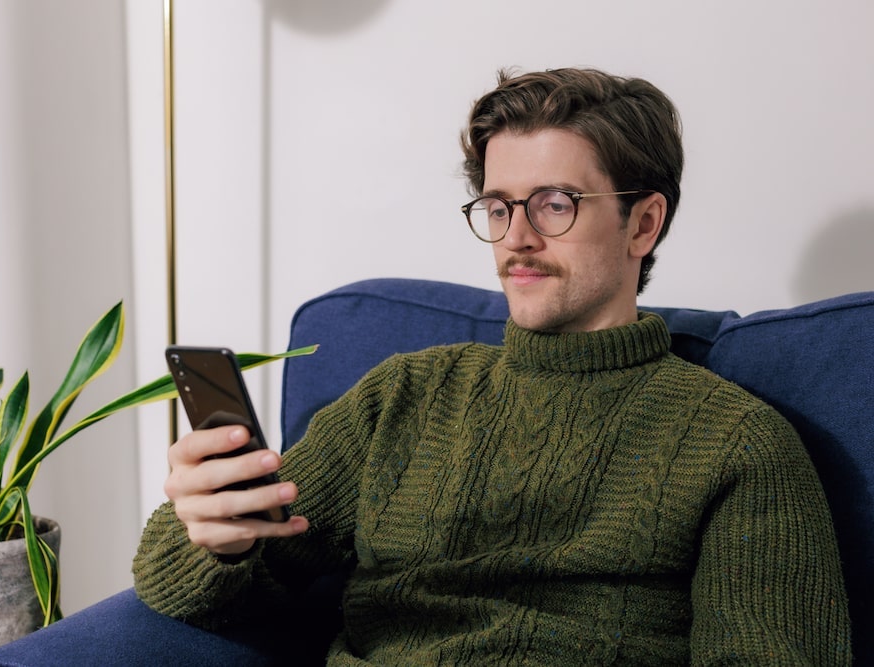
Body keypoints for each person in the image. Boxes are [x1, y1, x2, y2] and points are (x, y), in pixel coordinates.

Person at [132, 68, 852, 665]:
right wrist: (206, 535)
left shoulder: (737, 443)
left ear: (643, 222)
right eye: (499, 206)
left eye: (555, 205)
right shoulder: (404, 397)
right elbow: (196, 584)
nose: (517, 239)